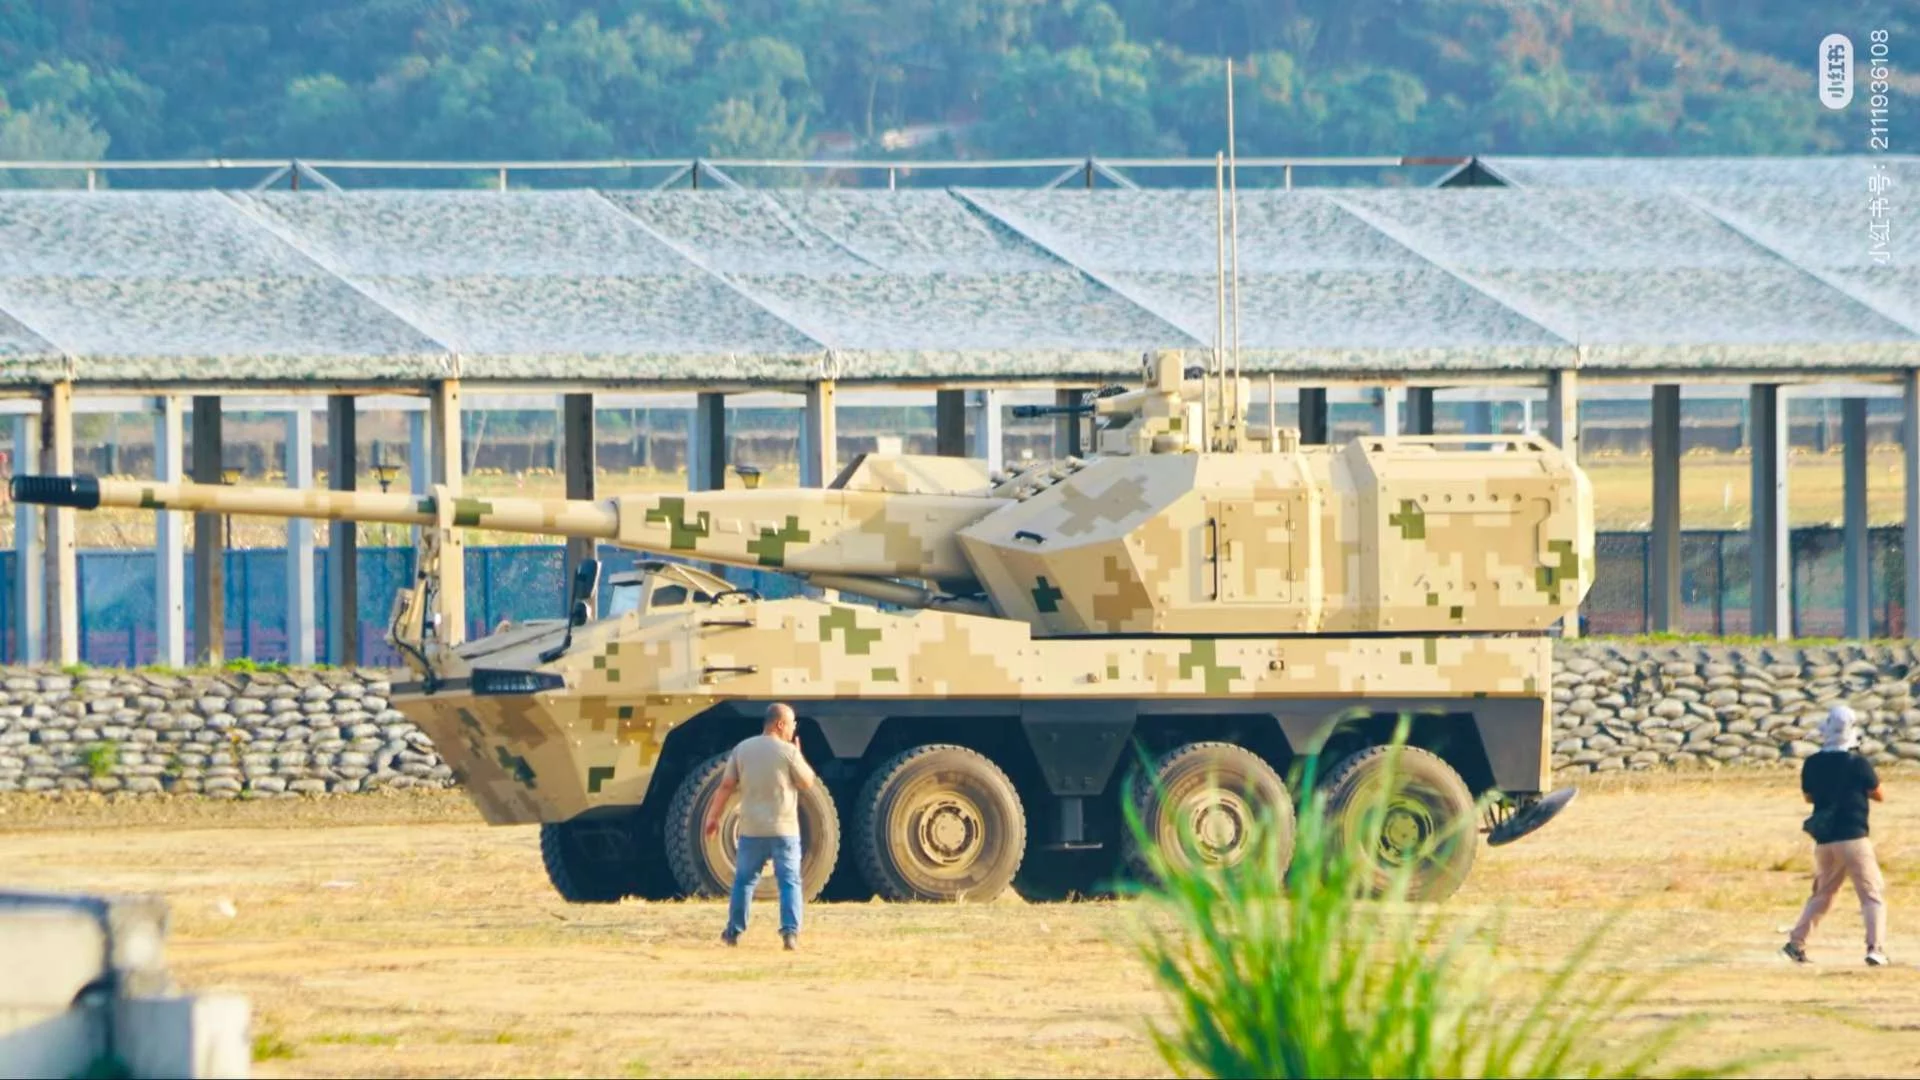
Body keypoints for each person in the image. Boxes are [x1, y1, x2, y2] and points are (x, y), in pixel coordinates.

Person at [703, 703, 817, 951]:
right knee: (789, 882)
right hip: (784, 830)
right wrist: (799, 755)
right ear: (780, 724)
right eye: (792, 723)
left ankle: (733, 932)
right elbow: (808, 782)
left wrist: (713, 817)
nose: (794, 728)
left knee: (744, 881)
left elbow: (725, 787)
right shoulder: (788, 751)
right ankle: (790, 934)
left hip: (751, 830)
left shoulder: (742, 749)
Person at [1784, 704, 1889, 966]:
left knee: (1823, 894)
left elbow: (1809, 797)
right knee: (1871, 894)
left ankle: (1796, 942)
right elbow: (1879, 794)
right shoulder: (1858, 763)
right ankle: (1875, 948)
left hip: (1825, 839)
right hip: (1853, 836)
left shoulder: (1813, 763)